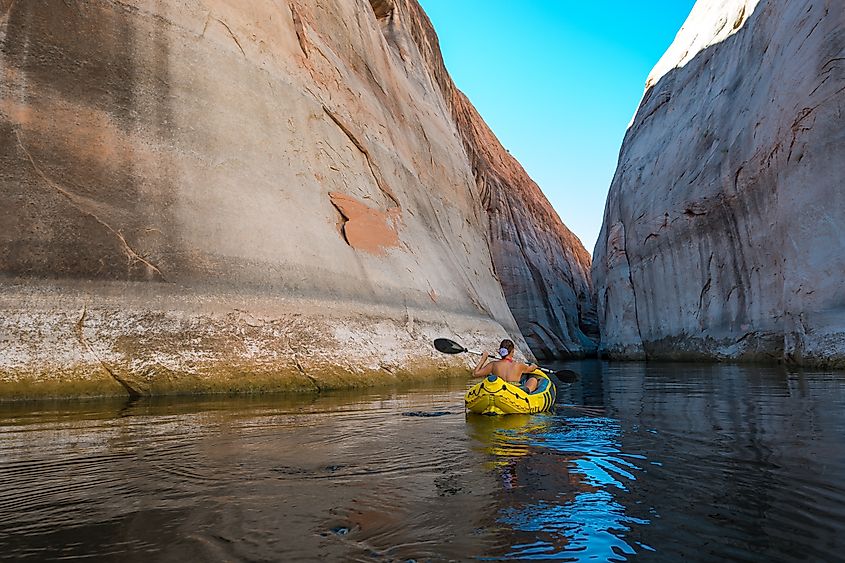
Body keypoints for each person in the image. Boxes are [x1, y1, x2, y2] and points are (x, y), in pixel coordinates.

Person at [472, 339, 540, 393]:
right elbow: (531, 369)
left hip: (499, 390)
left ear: (500, 352)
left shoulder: (493, 365)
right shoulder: (519, 365)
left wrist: (483, 359)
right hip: (514, 392)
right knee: (533, 380)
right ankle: (527, 395)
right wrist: (534, 365)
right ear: (512, 351)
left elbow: (475, 374)